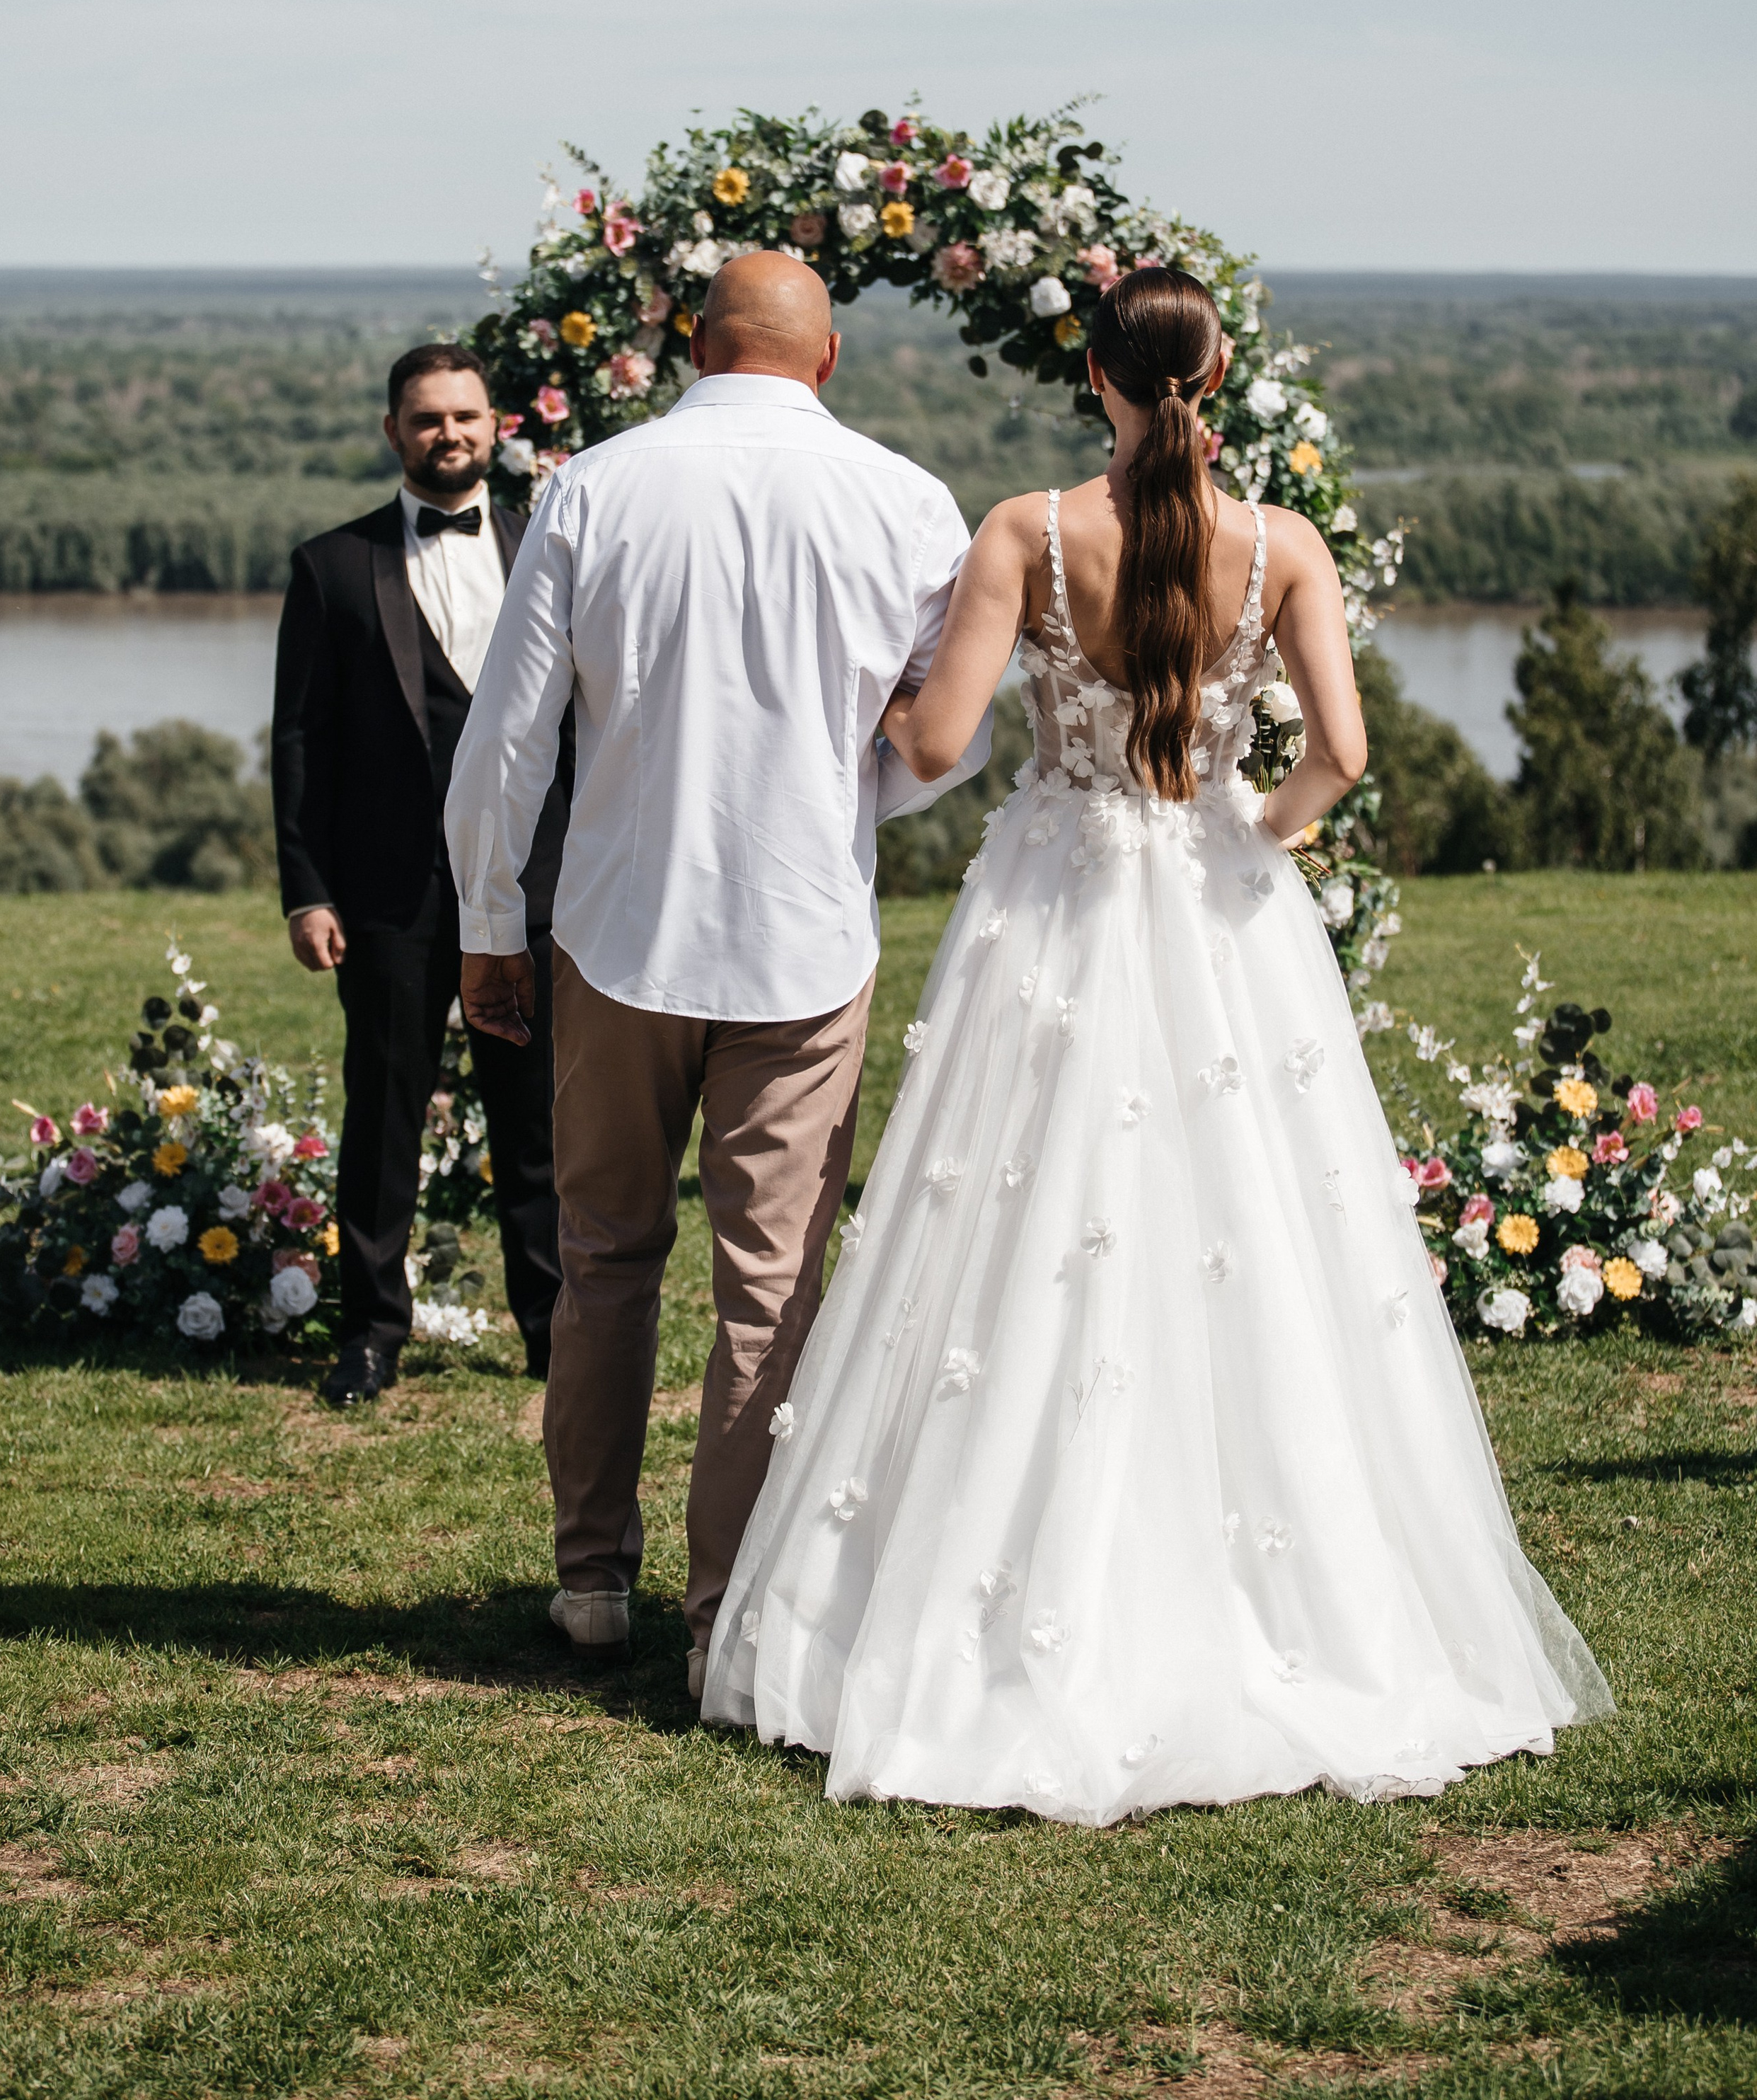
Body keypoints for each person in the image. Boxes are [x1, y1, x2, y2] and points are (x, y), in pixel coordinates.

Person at [703, 266, 1612, 1820]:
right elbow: (1341, 751)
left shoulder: (1025, 535)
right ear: (1220, 371)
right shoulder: (1285, 547)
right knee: (1244, 1220)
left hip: (1054, 903)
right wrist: (1248, 833)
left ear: (1094, 378)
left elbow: (930, 741)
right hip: (1217, 905)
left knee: (1024, 1225)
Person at [447, 253, 991, 1692]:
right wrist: (845, 804)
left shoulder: (590, 489)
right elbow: (958, 730)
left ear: (694, 348)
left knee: (605, 1260)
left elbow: (507, 739)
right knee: (769, 1288)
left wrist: (488, 919)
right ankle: (724, 1609)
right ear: (825, 364)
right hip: (804, 939)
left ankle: (586, 1581)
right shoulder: (903, 500)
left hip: (618, 932)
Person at [271, 342, 573, 1406]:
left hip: (528, 886)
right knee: (384, 1114)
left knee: (533, 1120)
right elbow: (299, 741)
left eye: (467, 416)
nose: (450, 433)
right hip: (389, 891)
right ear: (394, 433)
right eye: (428, 418)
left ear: (497, 428)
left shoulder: (550, 550)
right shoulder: (331, 567)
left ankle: (550, 1330)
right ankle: (370, 1334)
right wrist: (306, 888)